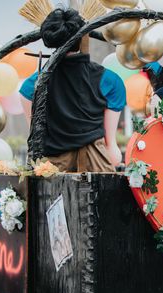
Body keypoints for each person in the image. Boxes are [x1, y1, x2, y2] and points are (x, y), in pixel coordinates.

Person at [20, 8, 126, 173]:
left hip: (52, 172)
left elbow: (36, 141)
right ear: (82, 37)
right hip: (96, 168)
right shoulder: (111, 82)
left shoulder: (32, 85)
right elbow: (111, 149)